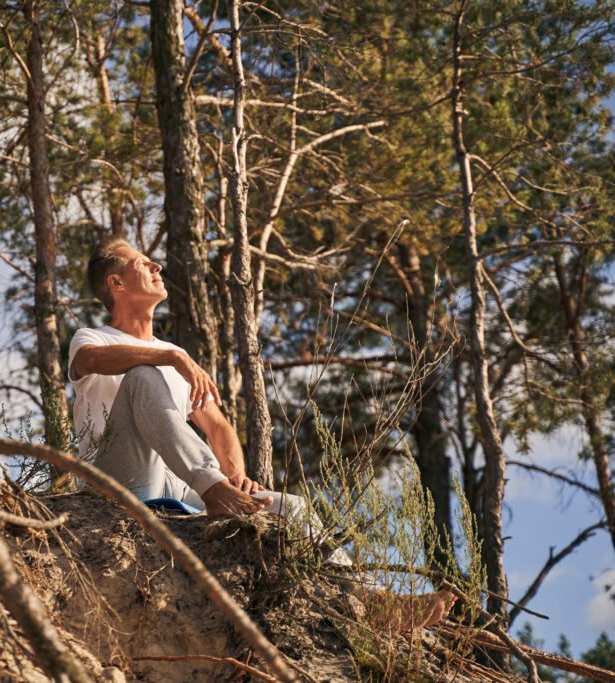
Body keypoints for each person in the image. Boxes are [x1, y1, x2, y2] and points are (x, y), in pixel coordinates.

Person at [68, 236, 456, 629]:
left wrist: (235, 476)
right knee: (141, 375)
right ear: (117, 284)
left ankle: (370, 601)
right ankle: (213, 489)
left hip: (180, 485)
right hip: (118, 480)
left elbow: (217, 425)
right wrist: (172, 356)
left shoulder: (172, 357)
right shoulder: (95, 338)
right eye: (144, 264)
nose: (158, 268)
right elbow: (92, 360)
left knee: (293, 508)